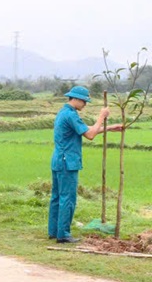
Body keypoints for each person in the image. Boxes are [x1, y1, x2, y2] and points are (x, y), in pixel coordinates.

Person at [47, 86, 121, 243]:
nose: (85, 105)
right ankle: (63, 234)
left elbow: (84, 129)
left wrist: (109, 128)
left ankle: (54, 231)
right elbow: (90, 134)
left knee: (57, 197)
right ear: (75, 99)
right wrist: (101, 116)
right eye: (84, 101)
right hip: (68, 162)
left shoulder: (64, 113)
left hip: (58, 160)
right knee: (68, 198)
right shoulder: (71, 115)